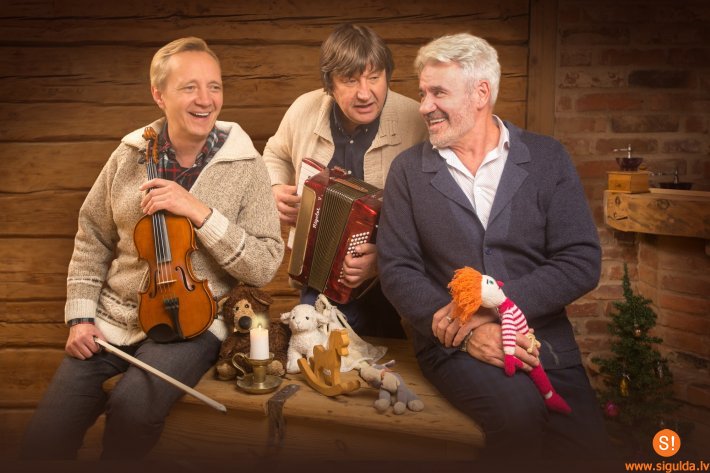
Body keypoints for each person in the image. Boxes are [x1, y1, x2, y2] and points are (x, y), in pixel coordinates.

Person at [19, 37, 283, 461]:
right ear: (159, 95)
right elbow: (92, 237)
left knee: (132, 410)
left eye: (214, 86)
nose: (206, 100)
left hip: (192, 322)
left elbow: (264, 264)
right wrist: (81, 318)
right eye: (189, 87)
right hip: (111, 321)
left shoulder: (247, 166)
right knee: (45, 436)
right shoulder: (128, 156)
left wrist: (199, 212)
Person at [377, 33, 611, 468]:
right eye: (423, 93)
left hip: (542, 340)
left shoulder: (547, 158)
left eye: (438, 93)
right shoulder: (408, 171)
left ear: (481, 93)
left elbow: (580, 259)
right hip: (451, 343)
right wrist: (467, 330)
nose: (424, 106)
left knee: (590, 453)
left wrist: (493, 310)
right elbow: (397, 269)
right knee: (518, 419)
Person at [263, 23, 427, 338]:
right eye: (350, 80)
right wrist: (274, 187)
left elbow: (434, 216)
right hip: (319, 274)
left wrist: (383, 260)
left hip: (394, 283)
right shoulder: (304, 109)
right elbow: (275, 153)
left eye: (374, 77)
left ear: (387, 76)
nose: (364, 93)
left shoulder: (417, 121)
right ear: (330, 84)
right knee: (313, 346)